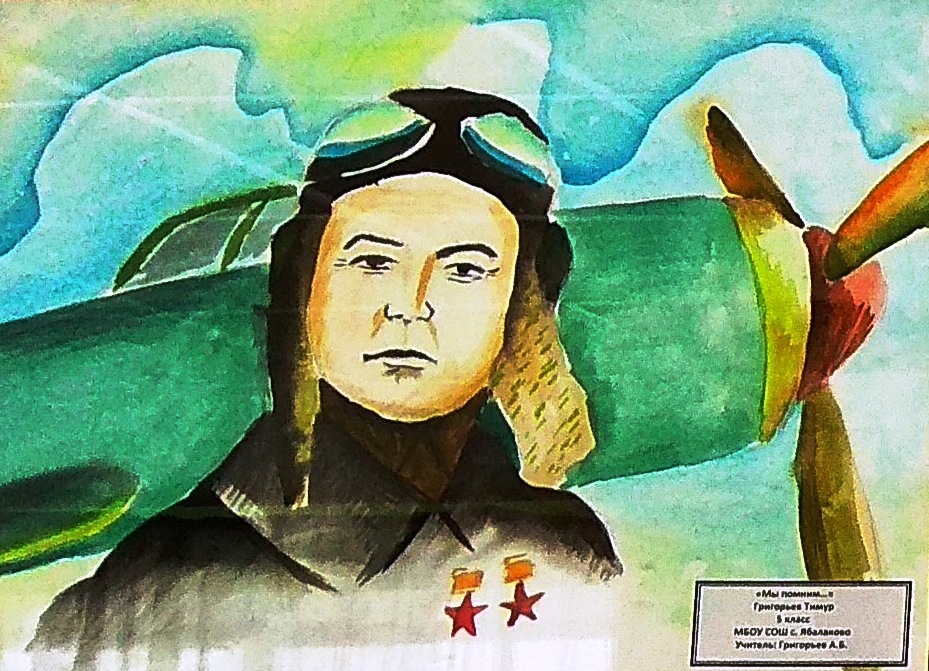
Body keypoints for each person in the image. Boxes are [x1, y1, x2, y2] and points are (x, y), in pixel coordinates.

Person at [29, 87, 620, 670]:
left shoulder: (564, 549)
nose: (410, 306)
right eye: (373, 261)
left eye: (465, 269)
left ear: (524, 302)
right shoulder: (156, 586)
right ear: (304, 280)